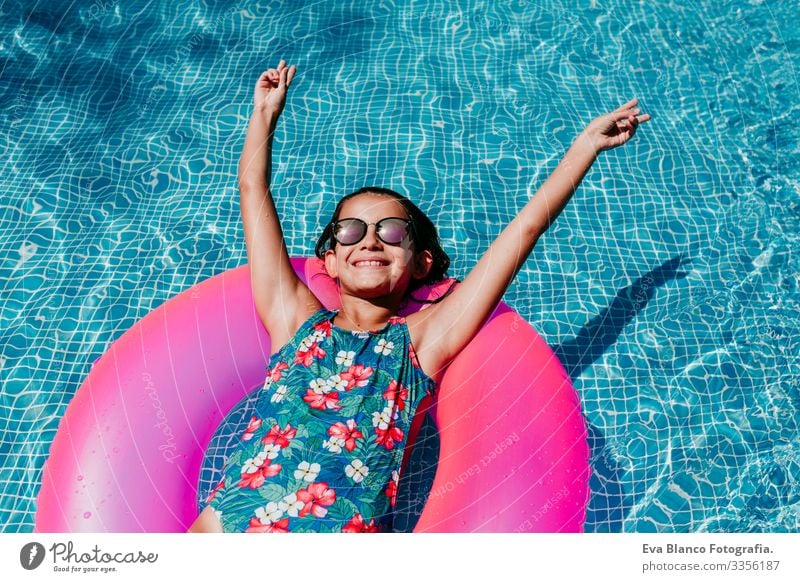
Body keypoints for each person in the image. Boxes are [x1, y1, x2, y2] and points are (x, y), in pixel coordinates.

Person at [189, 60, 650, 533]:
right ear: (328, 260)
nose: (369, 241)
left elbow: (523, 231)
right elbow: (252, 189)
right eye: (350, 230)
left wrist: (585, 149)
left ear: (421, 262)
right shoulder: (292, 322)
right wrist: (264, 114)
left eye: (390, 231)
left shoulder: (421, 344)